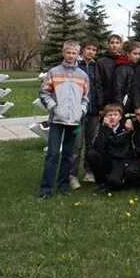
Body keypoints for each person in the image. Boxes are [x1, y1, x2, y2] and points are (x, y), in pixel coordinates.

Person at [38, 40, 89, 200]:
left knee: (68, 154)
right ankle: (46, 189)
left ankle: (63, 185)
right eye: (68, 52)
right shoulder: (54, 72)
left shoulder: (83, 76)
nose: (71, 55)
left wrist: (81, 111)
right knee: (53, 154)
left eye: (74, 53)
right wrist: (54, 107)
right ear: (63, 53)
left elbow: (86, 98)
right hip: (57, 121)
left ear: (77, 55)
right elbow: (44, 93)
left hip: (75, 122)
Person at [88, 103, 140, 191]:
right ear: (105, 117)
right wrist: (107, 129)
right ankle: (102, 183)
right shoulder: (102, 128)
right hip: (109, 159)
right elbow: (98, 147)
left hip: (122, 160)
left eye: (115, 115)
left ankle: (123, 181)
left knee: (115, 183)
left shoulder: (127, 127)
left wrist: (129, 120)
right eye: (110, 115)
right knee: (91, 154)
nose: (113, 117)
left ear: (120, 117)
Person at [70, 38, 100, 189]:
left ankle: (89, 172)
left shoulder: (96, 66)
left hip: (94, 113)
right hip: (78, 114)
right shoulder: (76, 65)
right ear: (83, 50)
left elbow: (99, 87)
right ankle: (72, 175)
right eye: (89, 49)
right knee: (76, 145)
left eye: (94, 50)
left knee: (91, 144)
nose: (91, 52)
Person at [113, 41, 140, 115]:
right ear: (128, 54)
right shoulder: (122, 68)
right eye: (135, 53)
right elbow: (118, 89)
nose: (137, 56)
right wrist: (120, 108)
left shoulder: (136, 67)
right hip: (125, 106)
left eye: (139, 54)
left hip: (134, 105)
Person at [96, 34, 123, 109]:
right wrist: (100, 103)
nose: (114, 45)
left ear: (121, 45)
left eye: (117, 43)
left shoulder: (125, 61)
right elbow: (98, 84)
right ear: (108, 45)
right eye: (112, 43)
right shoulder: (101, 62)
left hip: (122, 101)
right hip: (106, 102)